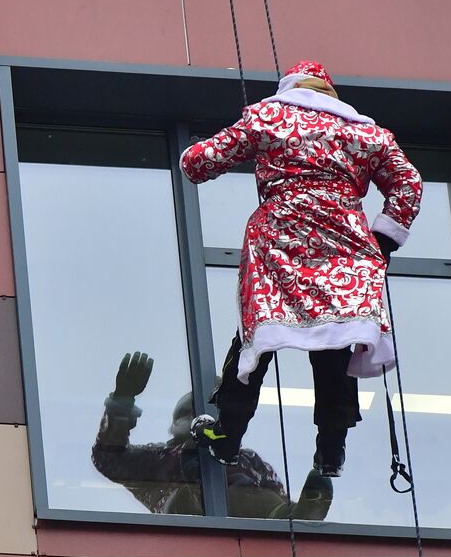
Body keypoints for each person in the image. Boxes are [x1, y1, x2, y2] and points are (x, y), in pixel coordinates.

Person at [181, 61, 422, 479]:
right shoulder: (367, 133)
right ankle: (331, 450)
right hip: (344, 246)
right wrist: (381, 241)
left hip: (279, 242)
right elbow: (409, 183)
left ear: (288, 88)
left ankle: (228, 435)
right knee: (335, 344)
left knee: (257, 336)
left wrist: (195, 149)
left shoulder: (267, 115)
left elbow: (198, 164)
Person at [92, 352, 331, 520]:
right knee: (192, 493)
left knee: (260, 498)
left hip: (246, 537)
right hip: (187, 529)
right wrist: (121, 404)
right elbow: (110, 459)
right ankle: (202, 491)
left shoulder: (247, 460)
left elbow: (276, 499)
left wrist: (294, 513)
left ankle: (302, 517)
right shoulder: (163, 458)